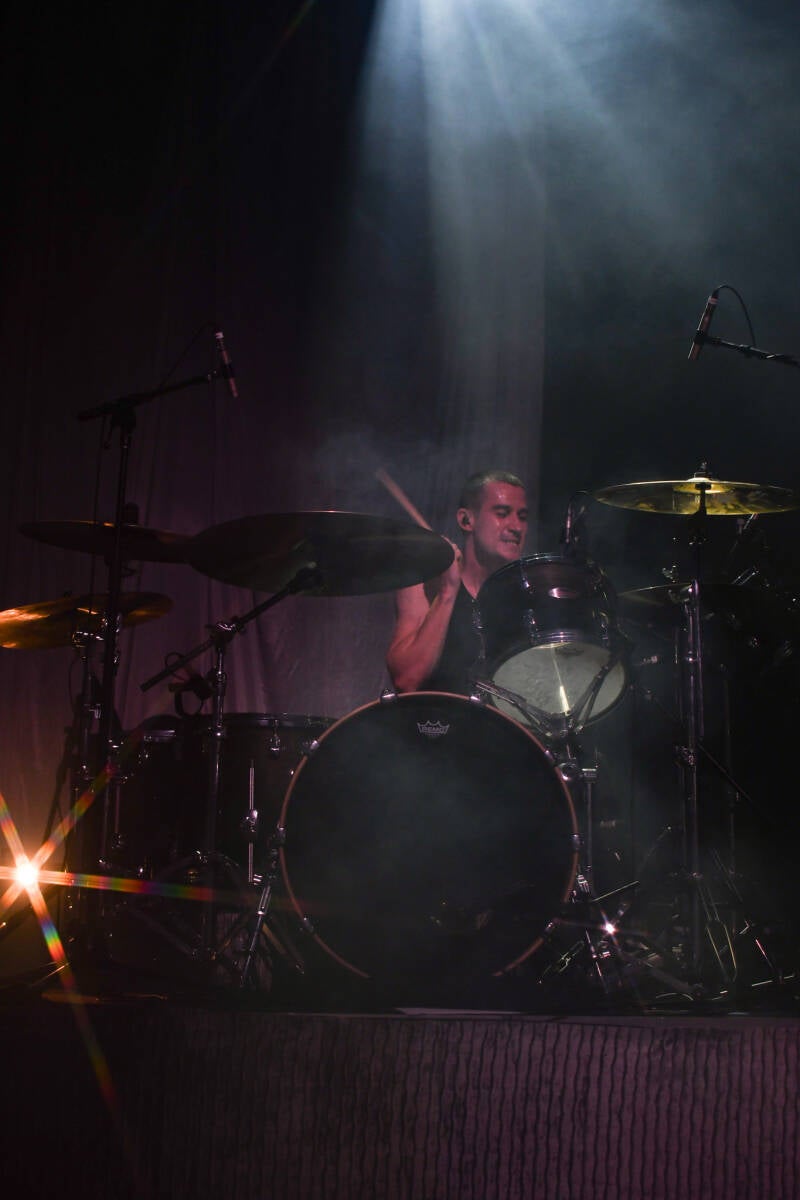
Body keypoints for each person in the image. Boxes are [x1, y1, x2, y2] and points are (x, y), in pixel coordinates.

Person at [386, 469, 529, 695]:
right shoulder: (423, 582)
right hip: (434, 717)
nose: (516, 527)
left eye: (522, 517)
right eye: (502, 514)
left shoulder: (526, 597)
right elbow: (406, 680)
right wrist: (448, 591)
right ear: (466, 520)